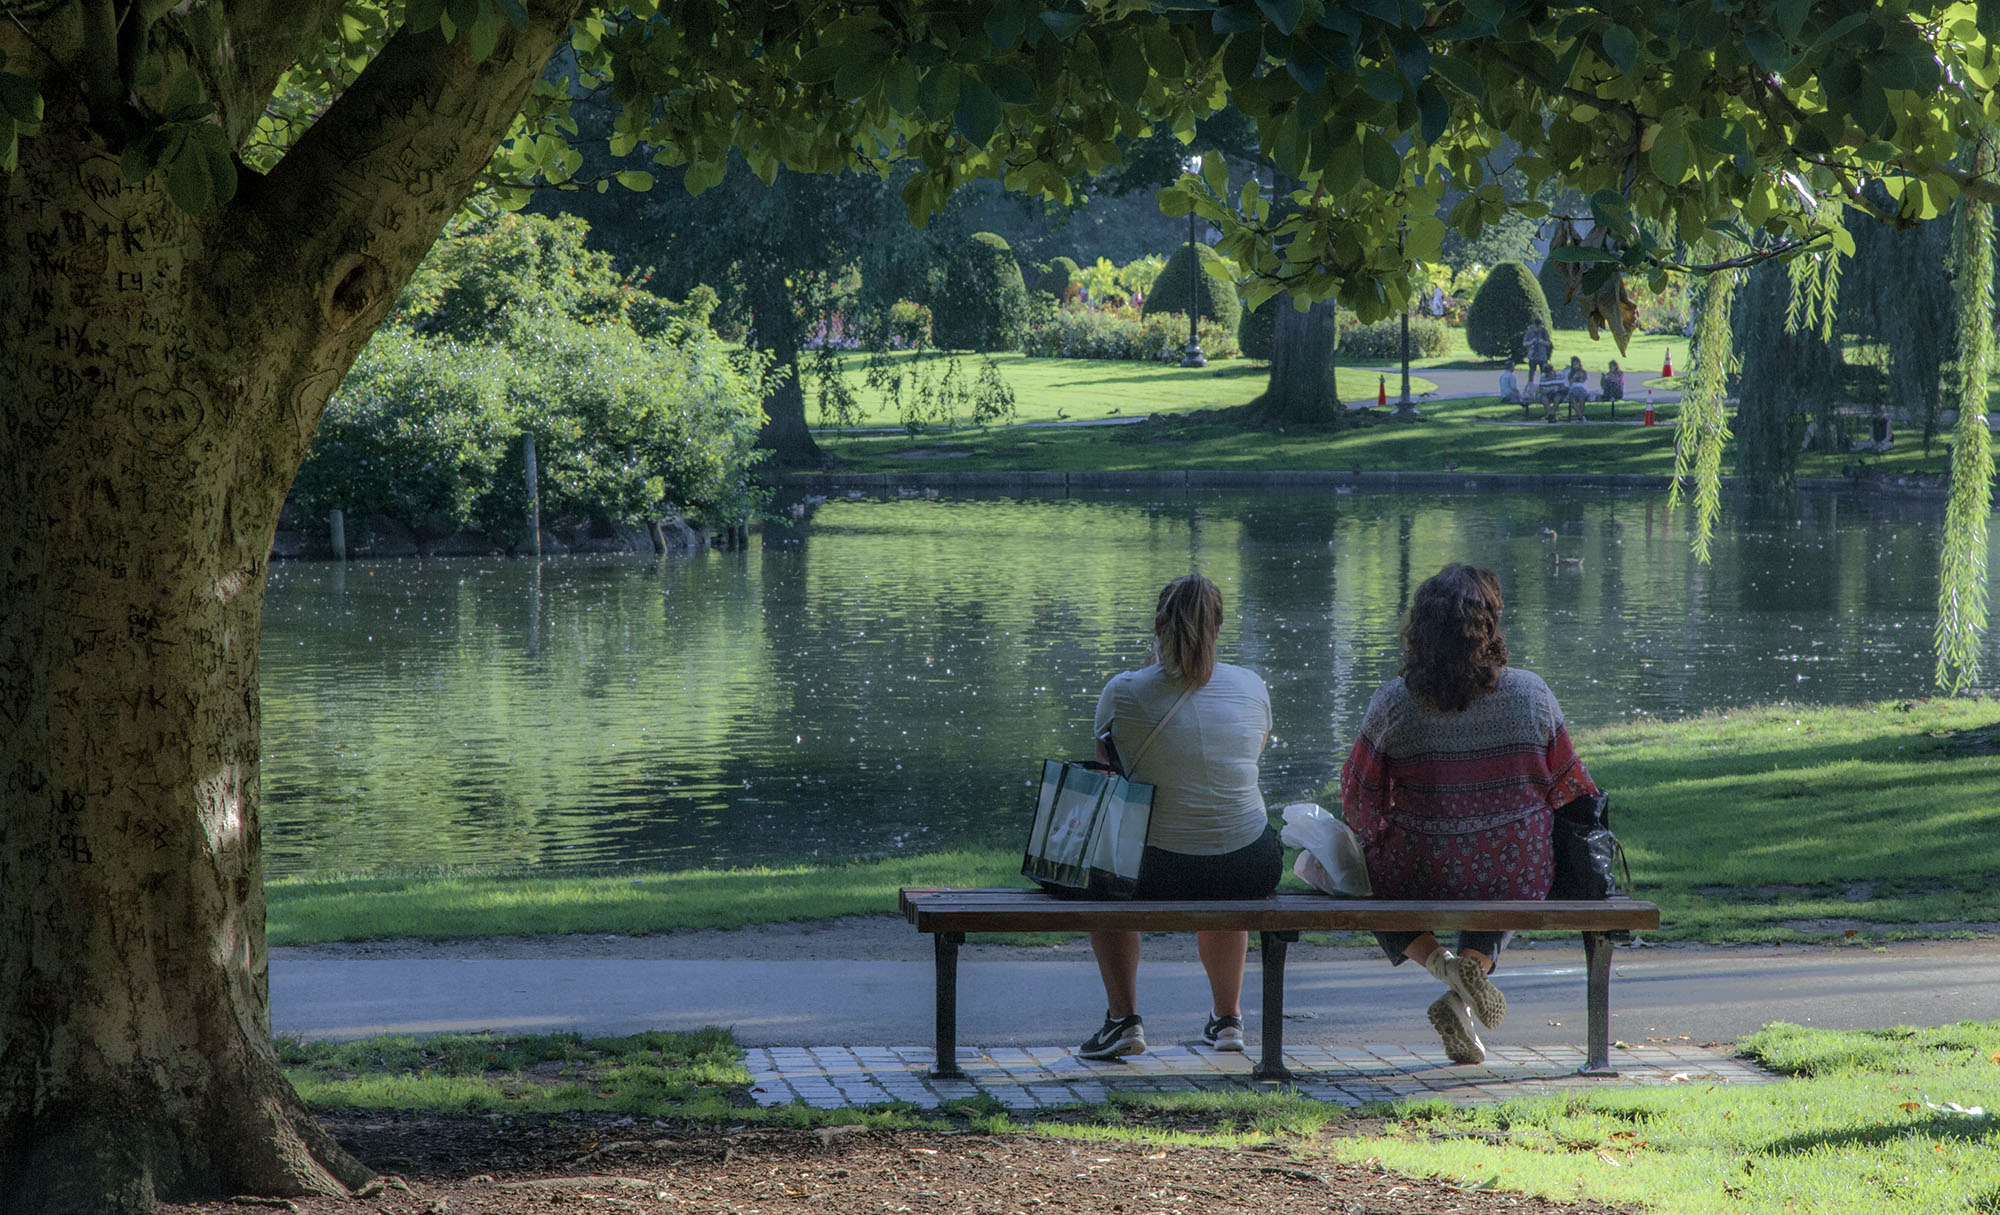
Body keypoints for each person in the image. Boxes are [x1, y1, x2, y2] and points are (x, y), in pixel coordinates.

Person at [1339, 564, 1598, 1065]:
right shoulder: (1532, 694)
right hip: (1513, 870)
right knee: (1508, 860)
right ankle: (1465, 981)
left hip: (1421, 870)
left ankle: (1447, 969)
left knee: (1371, 876)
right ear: (1490, 627)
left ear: (1419, 631)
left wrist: (1385, 834)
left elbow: (1356, 797)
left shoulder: (1394, 703)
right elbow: (1572, 785)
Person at [1081, 574, 1281, 1060]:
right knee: (1222, 851)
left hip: (1158, 867)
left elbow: (1111, 772)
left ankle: (1122, 1020)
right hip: (1250, 862)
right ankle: (1227, 1019)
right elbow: (1248, 756)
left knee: (1100, 868)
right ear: (1217, 628)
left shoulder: (1124, 690)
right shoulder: (1250, 685)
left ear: (1157, 625)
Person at [1563, 355, 1591, 420]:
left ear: (1579, 364)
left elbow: (1583, 381)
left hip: (1581, 388)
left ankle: (1580, 416)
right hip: (1573, 388)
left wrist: (1580, 376)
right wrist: (1574, 377)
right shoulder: (1571, 373)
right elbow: (1570, 382)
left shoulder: (1583, 372)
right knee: (1573, 400)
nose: (1575, 366)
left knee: (1582, 400)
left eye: (1577, 364)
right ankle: (1581, 416)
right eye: (1574, 364)